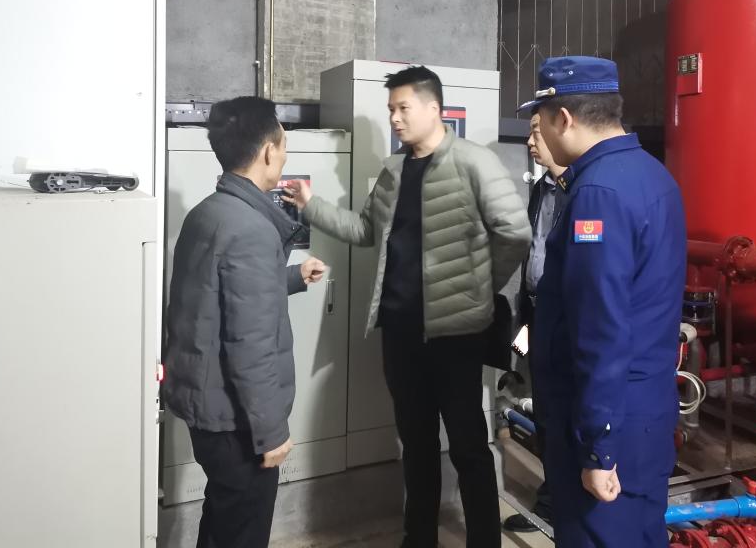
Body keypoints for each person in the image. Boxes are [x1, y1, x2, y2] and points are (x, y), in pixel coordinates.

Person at [283, 65, 530, 548]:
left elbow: (515, 232)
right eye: (391, 110)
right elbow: (365, 230)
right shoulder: (395, 170)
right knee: (415, 446)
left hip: (456, 335)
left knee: (468, 447)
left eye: (403, 108)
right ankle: (418, 539)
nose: (395, 118)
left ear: (434, 108)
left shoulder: (474, 162)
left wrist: (479, 288)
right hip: (400, 333)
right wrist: (311, 205)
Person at [519, 57, 686, 548]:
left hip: (609, 419)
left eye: (540, 120)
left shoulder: (597, 192)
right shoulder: (651, 174)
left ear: (563, 118)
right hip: (643, 410)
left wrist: (598, 446)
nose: (538, 136)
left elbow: (600, 328)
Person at [163, 96, 327, 548]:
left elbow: (216, 297)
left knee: (222, 519)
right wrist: (271, 433)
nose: (285, 154)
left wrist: (291, 276)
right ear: (269, 151)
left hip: (207, 410)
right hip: (238, 425)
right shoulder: (252, 229)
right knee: (243, 531)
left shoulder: (207, 213)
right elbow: (249, 345)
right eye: (284, 144)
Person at [502, 111, 565, 533]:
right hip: (537, 314)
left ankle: (562, 503)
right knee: (544, 410)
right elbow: (533, 251)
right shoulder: (543, 188)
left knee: (564, 412)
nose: (529, 142)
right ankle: (552, 501)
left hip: (566, 320)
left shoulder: (584, 191)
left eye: (536, 133)